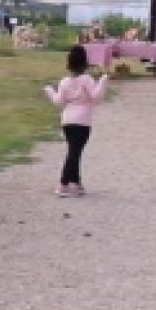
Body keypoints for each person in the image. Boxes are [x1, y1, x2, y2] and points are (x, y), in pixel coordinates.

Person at [44, 45, 108, 197]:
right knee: (74, 152)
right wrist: (103, 81)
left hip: (67, 121)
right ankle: (63, 183)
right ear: (85, 62)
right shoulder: (86, 80)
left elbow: (59, 101)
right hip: (83, 121)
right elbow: (95, 97)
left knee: (74, 151)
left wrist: (49, 91)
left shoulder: (65, 81)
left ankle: (76, 182)